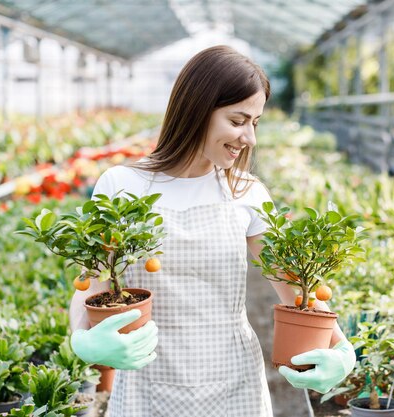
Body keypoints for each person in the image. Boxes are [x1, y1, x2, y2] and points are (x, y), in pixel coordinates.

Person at [68, 45, 355, 416]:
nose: (249, 137)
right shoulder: (121, 185)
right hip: (147, 384)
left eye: (255, 123)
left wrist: (343, 348)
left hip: (234, 385)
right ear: (196, 110)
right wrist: (81, 339)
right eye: (238, 121)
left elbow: (294, 287)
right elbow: (92, 283)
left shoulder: (247, 193)